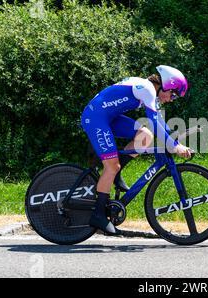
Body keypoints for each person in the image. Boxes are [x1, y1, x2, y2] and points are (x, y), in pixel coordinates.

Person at [80, 65, 192, 235]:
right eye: (173, 94)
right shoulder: (147, 89)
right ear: (165, 85)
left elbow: (159, 123)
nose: (171, 99)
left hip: (108, 117)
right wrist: (174, 146)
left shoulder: (150, 93)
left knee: (145, 136)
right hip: (96, 118)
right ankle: (98, 215)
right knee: (112, 166)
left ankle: (116, 173)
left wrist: (174, 141)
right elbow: (154, 121)